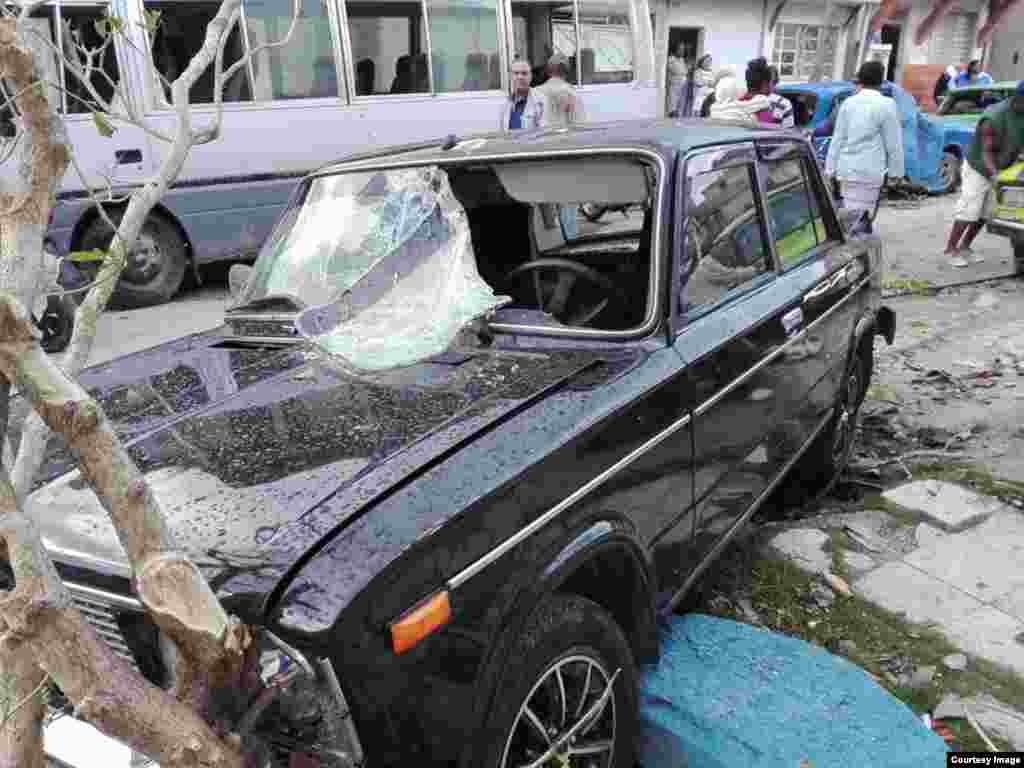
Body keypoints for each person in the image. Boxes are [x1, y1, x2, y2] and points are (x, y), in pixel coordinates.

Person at [943, 80, 1024, 266]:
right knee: (969, 210)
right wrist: (995, 175)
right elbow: (985, 152)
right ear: (1019, 98)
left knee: (985, 213)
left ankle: (965, 247)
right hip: (979, 167)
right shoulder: (993, 117)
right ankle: (950, 250)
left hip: (1002, 167)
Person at [824, 60, 904, 224]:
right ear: (881, 81)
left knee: (851, 216)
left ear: (860, 80)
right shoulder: (887, 104)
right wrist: (896, 174)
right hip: (870, 173)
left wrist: (829, 170)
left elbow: (837, 140)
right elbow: (894, 144)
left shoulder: (848, 103)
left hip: (846, 172)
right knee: (864, 219)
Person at [535, 54, 583, 238]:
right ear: (567, 71)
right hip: (566, 153)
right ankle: (569, 239)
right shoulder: (572, 93)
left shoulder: (536, 93)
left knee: (545, 200)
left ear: (548, 71)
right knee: (568, 201)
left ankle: (550, 240)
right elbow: (579, 127)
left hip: (541, 153)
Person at [500, 57, 544, 131]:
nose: (520, 77)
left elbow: (545, 133)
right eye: (516, 73)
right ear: (510, 77)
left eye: (524, 73)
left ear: (531, 76)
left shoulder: (541, 102)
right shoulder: (505, 104)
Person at [736, 58, 779, 125]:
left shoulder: (734, 105)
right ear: (765, 84)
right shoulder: (763, 114)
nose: (773, 87)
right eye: (772, 82)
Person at [667, 43, 688, 117]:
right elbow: (677, 70)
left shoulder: (682, 59)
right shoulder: (671, 59)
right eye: (680, 49)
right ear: (675, 50)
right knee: (673, 104)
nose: (682, 51)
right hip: (675, 84)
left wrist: (685, 70)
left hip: (682, 85)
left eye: (683, 49)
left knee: (680, 105)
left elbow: (685, 71)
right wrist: (685, 70)